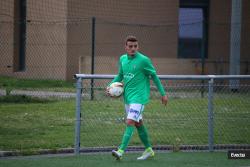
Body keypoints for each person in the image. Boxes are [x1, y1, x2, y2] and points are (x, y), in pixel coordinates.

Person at [106, 35, 168, 160]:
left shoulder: (144, 60)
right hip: (128, 97)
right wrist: (109, 86)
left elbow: (154, 76)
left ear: (138, 46)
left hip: (139, 98)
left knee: (129, 122)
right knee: (138, 123)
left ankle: (121, 151)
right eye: (130, 46)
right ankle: (149, 150)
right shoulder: (123, 59)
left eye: (135, 46)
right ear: (126, 47)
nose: (133, 48)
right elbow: (119, 75)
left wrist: (163, 94)